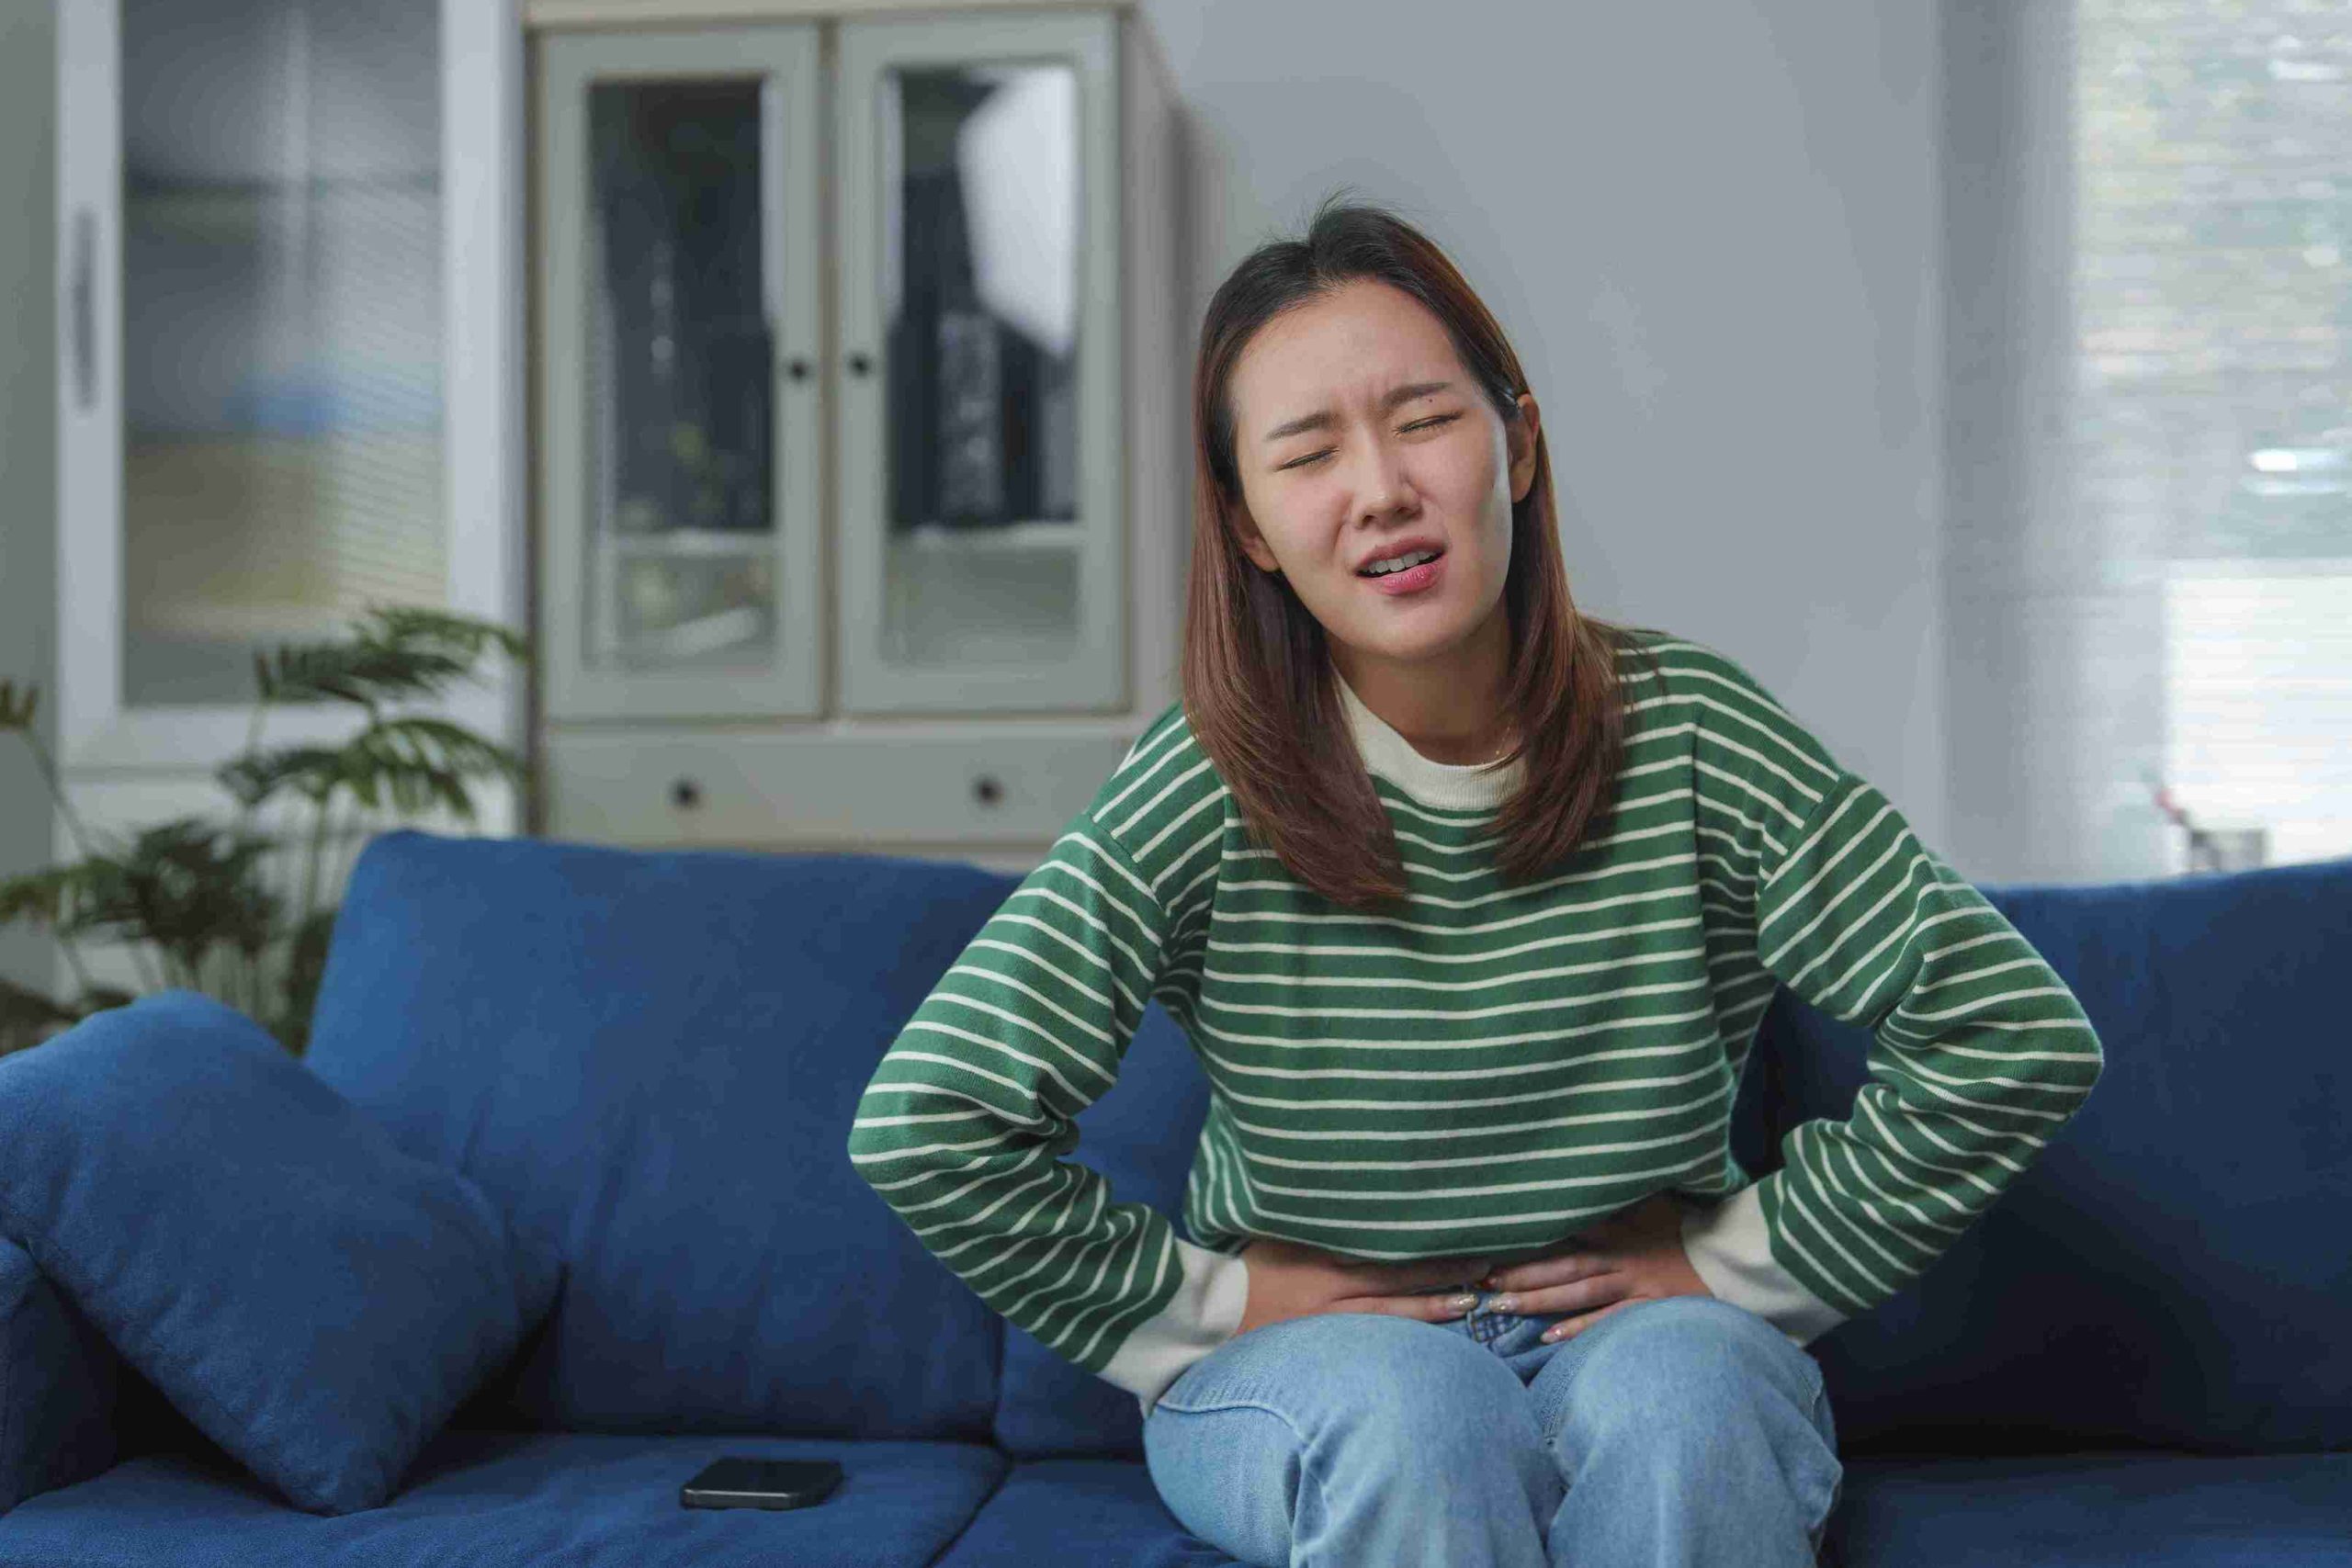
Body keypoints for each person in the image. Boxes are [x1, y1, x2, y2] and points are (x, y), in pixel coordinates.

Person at [846, 194, 2105, 1567]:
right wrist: (1211, 1304)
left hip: (1646, 1334)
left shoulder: (1693, 735)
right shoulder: (1202, 781)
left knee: (1689, 1400)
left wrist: (1735, 1262)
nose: (1381, 487)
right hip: (1318, 1374)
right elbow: (930, 1122)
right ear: (1254, 528)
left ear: (1516, 443)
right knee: (1419, 1418)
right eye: (1308, 452)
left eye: (1424, 419)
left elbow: (2011, 1032)